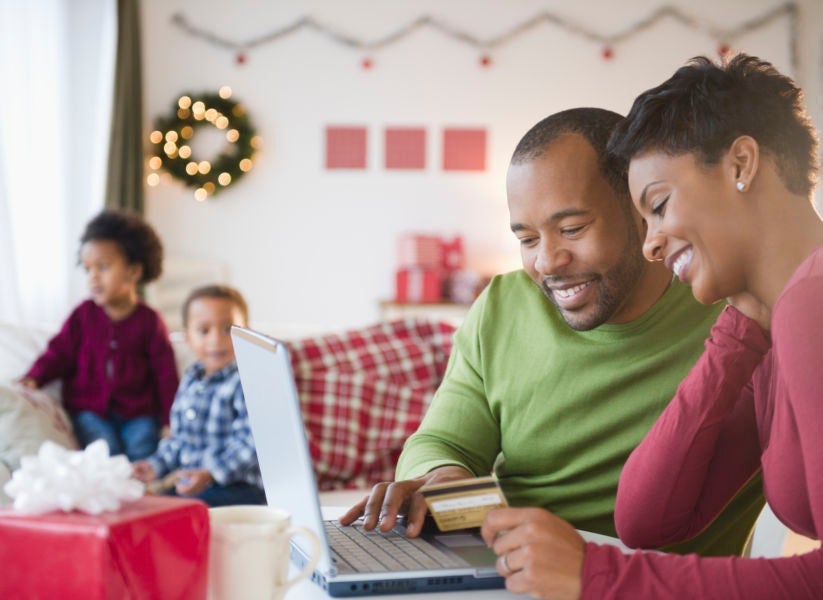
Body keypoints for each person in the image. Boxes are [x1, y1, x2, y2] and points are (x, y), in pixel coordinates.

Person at [341, 108, 763, 559]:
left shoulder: (738, 317)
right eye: (527, 239)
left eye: (571, 229)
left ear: (641, 210)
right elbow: (443, 442)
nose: (546, 261)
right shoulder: (503, 304)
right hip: (507, 570)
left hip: (653, 580)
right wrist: (444, 478)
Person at [480, 54, 823, 599]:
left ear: (741, 163)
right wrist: (738, 332)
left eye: (659, 206)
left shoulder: (812, 302)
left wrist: (597, 577)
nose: (650, 244)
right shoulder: (773, 326)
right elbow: (647, 520)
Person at [19, 209, 178, 461]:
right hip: (90, 410)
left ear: (134, 271)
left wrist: (170, 421)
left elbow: (166, 376)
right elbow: (58, 352)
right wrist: (34, 377)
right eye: (87, 269)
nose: (93, 276)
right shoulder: (82, 316)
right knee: (104, 451)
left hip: (139, 413)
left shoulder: (150, 321)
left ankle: (141, 483)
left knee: (142, 448)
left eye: (103, 267)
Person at [132, 284, 265, 507]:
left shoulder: (246, 381)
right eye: (204, 331)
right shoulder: (190, 380)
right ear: (187, 338)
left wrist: (210, 473)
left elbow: (251, 445)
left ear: (247, 333)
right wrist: (154, 465)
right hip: (195, 485)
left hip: (240, 487)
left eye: (228, 329)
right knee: (154, 505)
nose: (216, 339)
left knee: (180, 509)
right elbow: (179, 440)